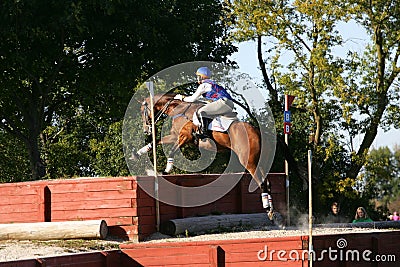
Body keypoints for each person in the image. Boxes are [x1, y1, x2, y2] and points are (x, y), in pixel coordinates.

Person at [174, 67, 235, 139]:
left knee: (201, 111)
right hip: (228, 104)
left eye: (197, 76)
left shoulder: (204, 85)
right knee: (209, 112)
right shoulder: (211, 83)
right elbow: (203, 99)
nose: (197, 78)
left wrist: (182, 97)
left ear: (201, 77)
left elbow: (192, 99)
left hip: (223, 102)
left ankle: (204, 133)